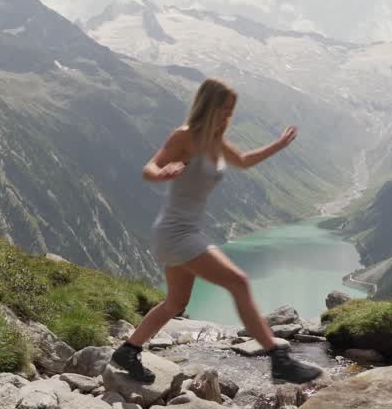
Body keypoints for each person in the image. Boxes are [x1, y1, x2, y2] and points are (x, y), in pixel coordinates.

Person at [110, 78, 323, 384]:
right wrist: (163, 173)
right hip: (177, 233)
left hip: (184, 231)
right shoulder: (185, 136)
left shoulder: (215, 140)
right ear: (209, 105)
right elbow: (150, 168)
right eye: (224, 109)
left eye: (231, 110)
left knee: (175, 303)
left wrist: (279, 144)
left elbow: (245, 161)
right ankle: (279, 359)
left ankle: (128, 350)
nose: (228, 115)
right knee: (239, 281)